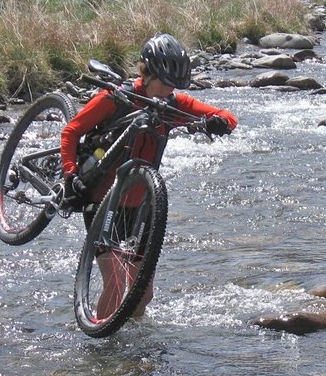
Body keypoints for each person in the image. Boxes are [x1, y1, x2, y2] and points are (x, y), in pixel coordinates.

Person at [60, 33, 238, 318]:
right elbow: (71, 132)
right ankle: (102, 344)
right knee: (117, 285)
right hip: (103, 201)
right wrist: (70, 174)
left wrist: (219, 123)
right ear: (147, 72)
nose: (169, 91)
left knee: (143, 293)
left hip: (143, 207)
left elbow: (226, 115)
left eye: (175, 86)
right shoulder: (114, 99)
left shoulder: (174, 105)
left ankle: (133, 351)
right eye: (165, 83)